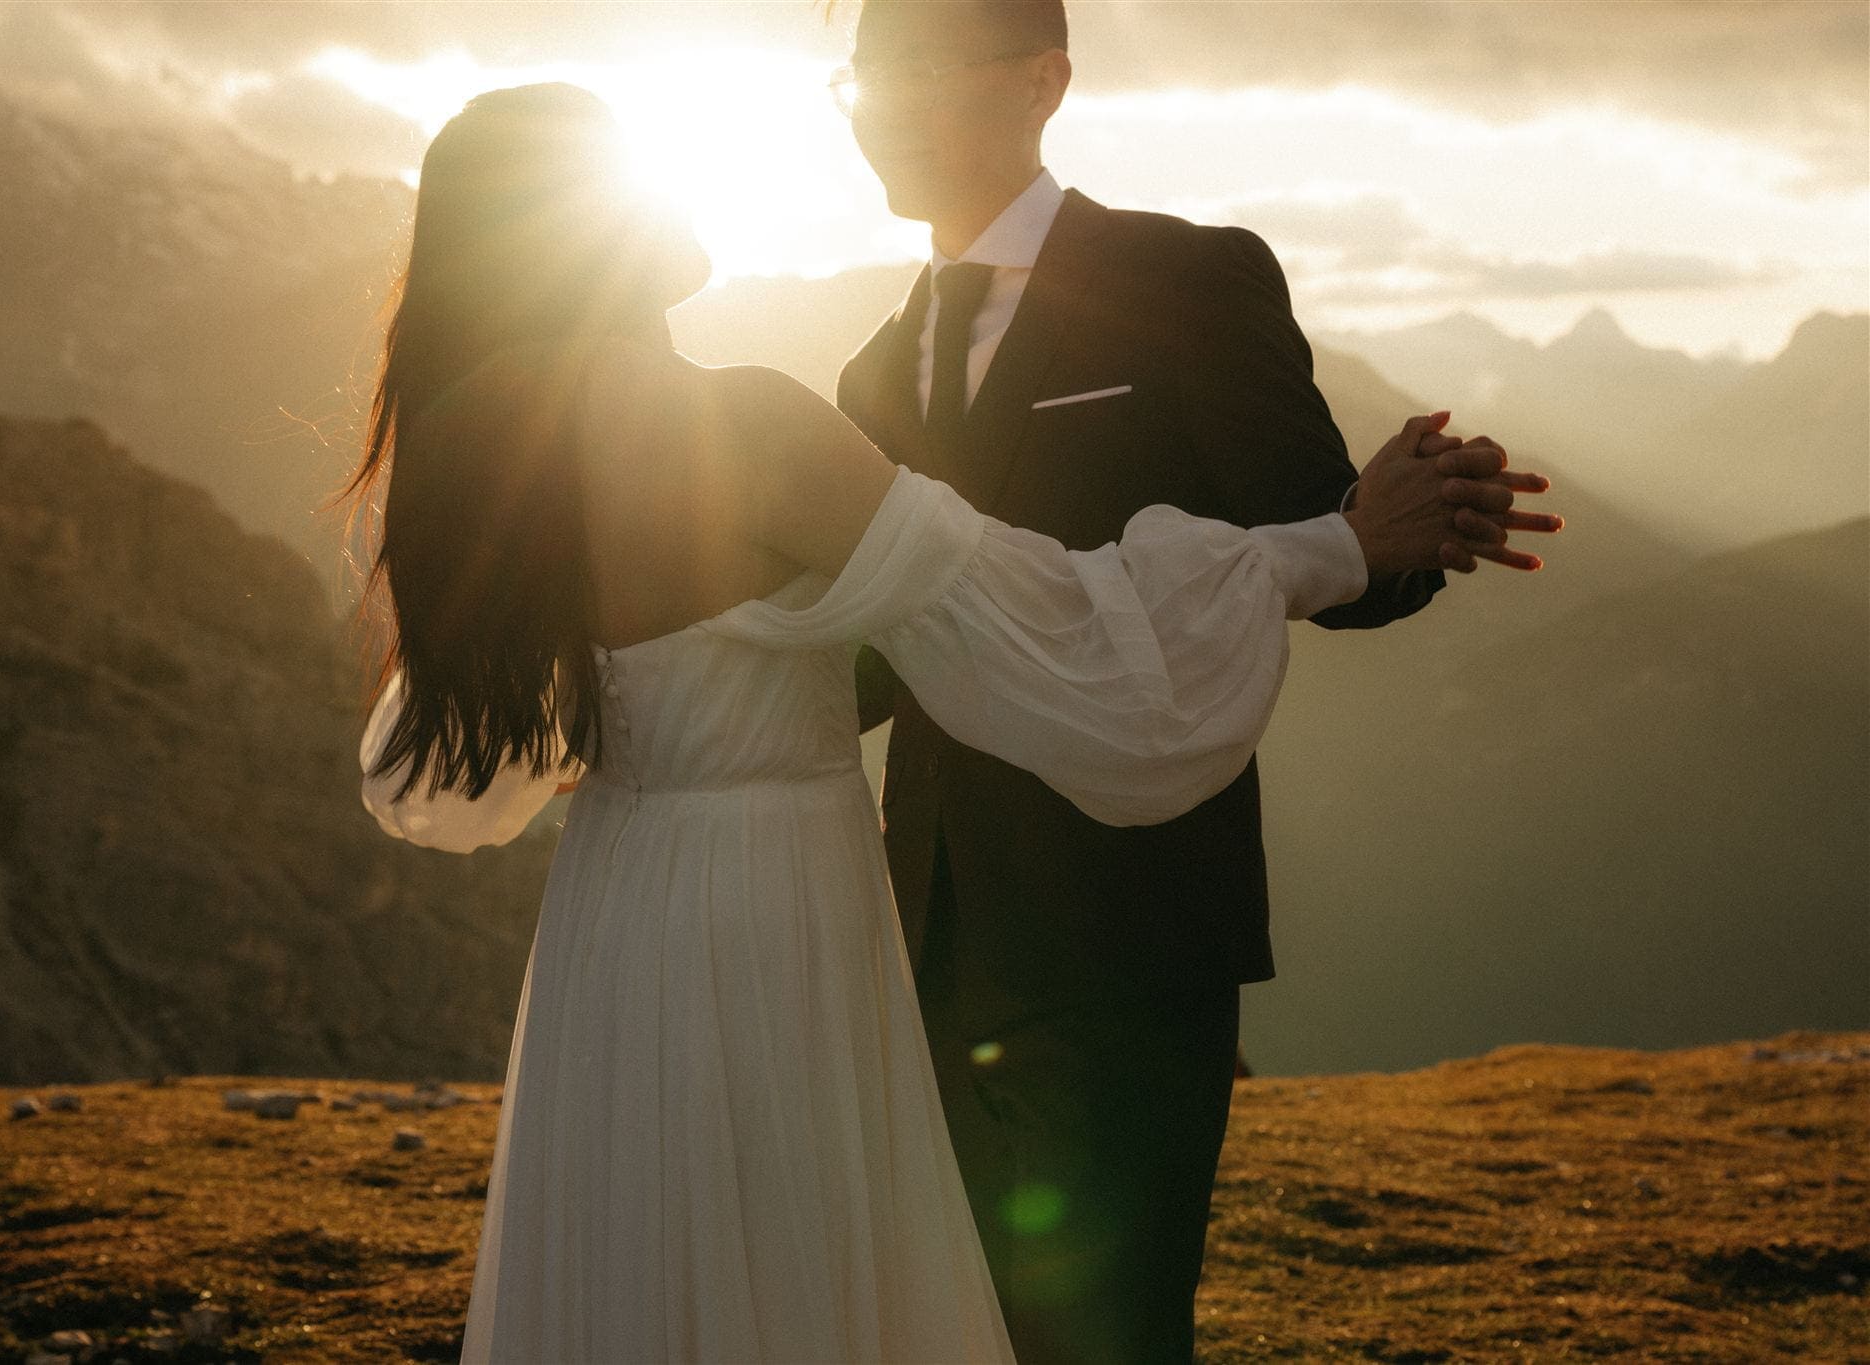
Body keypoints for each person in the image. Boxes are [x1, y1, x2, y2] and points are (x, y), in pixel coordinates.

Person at [344, 84, 1553, 1364]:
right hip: (772, 911)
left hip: (619, 910)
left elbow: (732, 673)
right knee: (798, 1276)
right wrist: (1343, 544)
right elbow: (1032, 613)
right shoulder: (745, 422)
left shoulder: (483, 466)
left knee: (649, 1266)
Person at [831, 3, 1556, 1359]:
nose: (878, 103)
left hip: (1128, 917)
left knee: (1111, 1330)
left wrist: (1397, 523)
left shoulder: (1187, 279)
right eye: (862, 75)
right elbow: (881, 652)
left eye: (916, 69)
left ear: (1044, 80)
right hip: (931, 932)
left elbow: (1327, 542)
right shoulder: (873, 367)